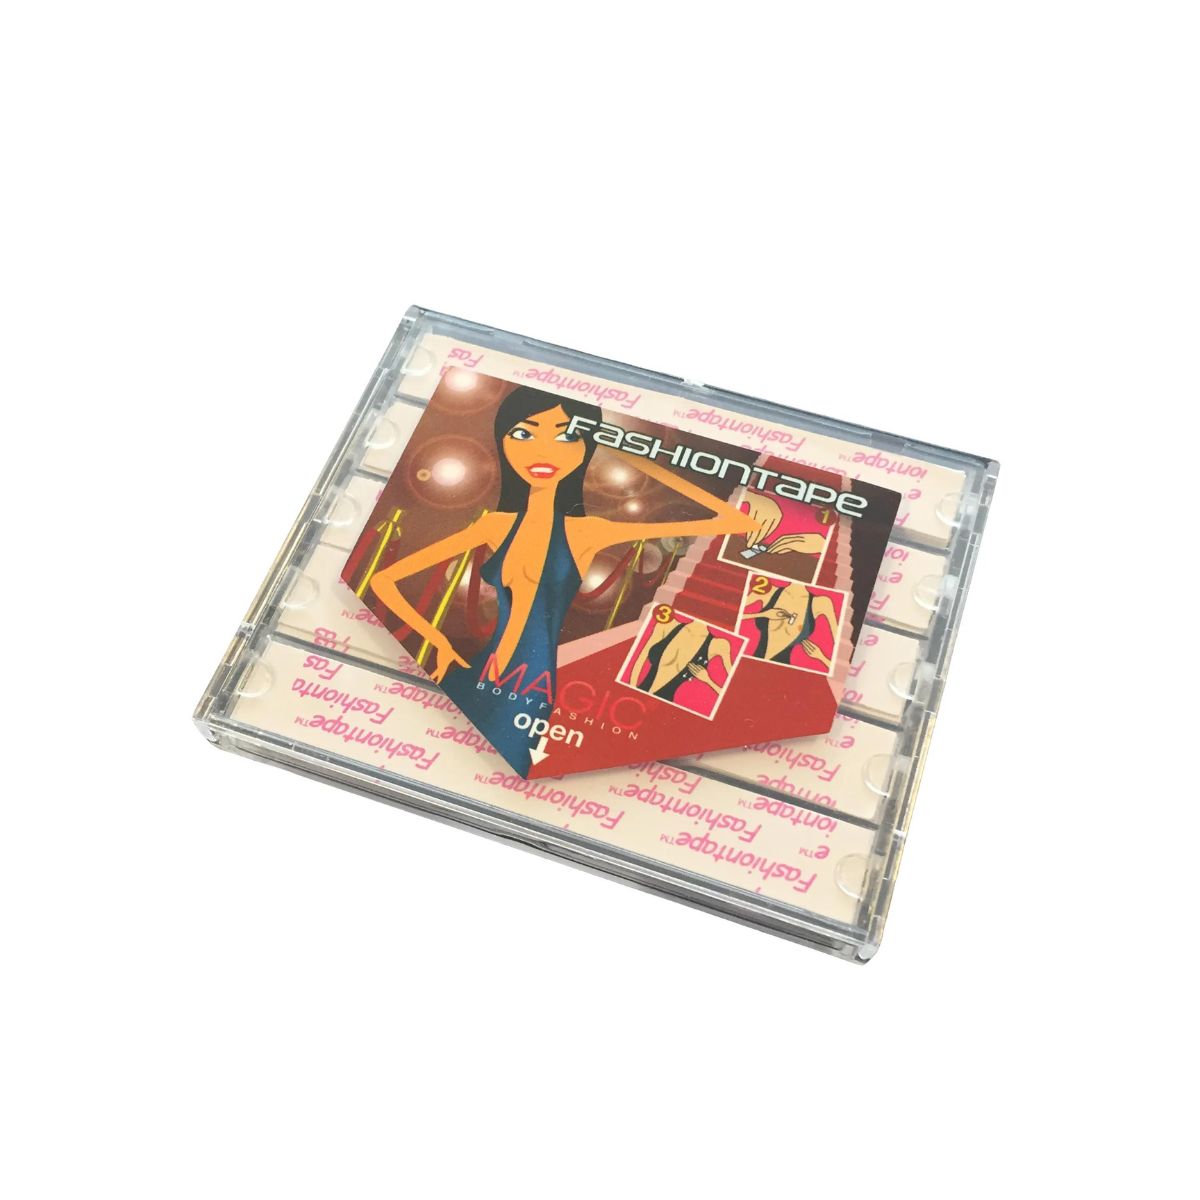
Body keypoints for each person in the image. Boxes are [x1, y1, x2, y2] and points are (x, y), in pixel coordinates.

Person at [368, 385, 757, 772]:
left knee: (503, 770)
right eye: (524, 434)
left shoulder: (588, 531)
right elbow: (384, 581)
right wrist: (437, 640)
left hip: (531, 685)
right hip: (479, 673)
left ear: (585, 446)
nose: (543, 450)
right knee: (423, 761)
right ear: (503, 440)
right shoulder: (496, 526)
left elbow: (734, 522)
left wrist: (641, 460)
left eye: (566, 436)